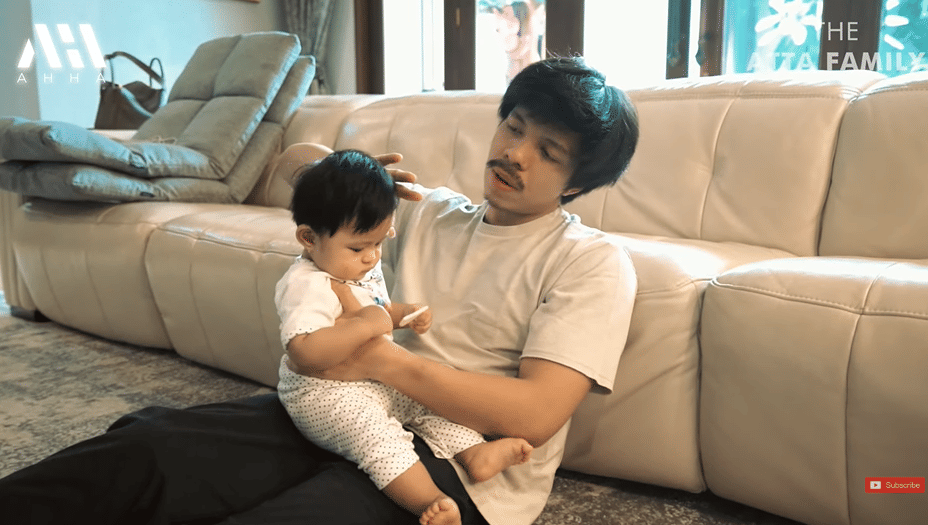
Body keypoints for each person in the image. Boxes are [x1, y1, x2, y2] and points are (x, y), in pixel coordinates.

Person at [0, 56, 639, 525]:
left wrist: (382, 359)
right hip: (346, 406)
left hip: (457, 465)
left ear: (578, 183)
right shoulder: (426, 210)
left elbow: (534, 415)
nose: (517, 154)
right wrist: (335, 175)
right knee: (148, 450)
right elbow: (288, 170)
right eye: (514, 127)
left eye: (548, 151)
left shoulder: (591, 261)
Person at [276, 149, 532, 525]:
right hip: (322, 394)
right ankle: (430, 502)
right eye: (358, 247)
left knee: (427, 402)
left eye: (378, 244)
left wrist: (403, 315)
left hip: (369, 378)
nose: (371, 257)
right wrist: (367, 325)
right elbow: (304, 352)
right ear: (308, 238)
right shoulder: (306, 285)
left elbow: (376, 310)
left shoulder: (354, 265)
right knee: (378, 437)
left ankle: (473, 453)